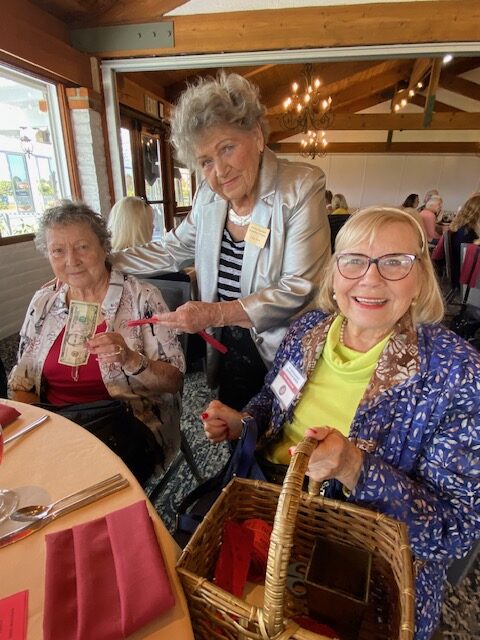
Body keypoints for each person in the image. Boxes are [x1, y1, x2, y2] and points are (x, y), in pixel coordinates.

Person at [202, 206, 480, 640]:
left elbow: (453, 532)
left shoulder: (457, 374)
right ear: (334, 274)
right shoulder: (309, 329)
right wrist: (244, 422)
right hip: (267, 509)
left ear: (421, 277)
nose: (370, 278)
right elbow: (272, 399)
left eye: (394, 262)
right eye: (354, 260)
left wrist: (355, 468)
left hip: (361, 568)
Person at [112, 71, 330, 410]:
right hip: (229, 347)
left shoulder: (299, 187)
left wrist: (214, 314)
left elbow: (299, 288)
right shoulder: (209, 197)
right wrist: (105, 262)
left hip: (287, 349)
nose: (220, 170)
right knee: (233, 425)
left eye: (227, 148)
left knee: (283, 432)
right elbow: (172, 248)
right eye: (206, 161)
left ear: (256, 135)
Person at [8, 202, 185, 482]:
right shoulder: (43, 302)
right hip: (57, 423)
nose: (71, 260)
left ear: (104, 247)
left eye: (82, 247)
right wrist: (36, 428)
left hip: (125, 426)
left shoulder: (142, 298)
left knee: (78, 481)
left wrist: (130, 359)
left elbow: (173, 381)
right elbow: (23, 380)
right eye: (58, 251)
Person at [448, 194, 480, 287]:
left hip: (459, 273)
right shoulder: (466, 233)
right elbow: (468, 257)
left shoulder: (462, 228)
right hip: (465, 279)